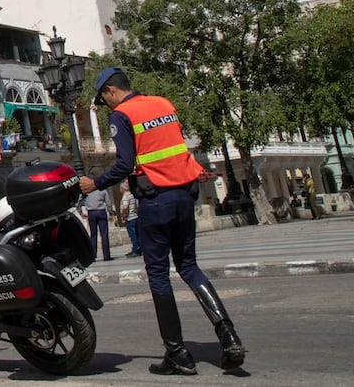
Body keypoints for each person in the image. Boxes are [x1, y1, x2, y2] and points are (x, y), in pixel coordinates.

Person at [80, 67, 245, 375]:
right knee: (189, 266)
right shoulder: (163, 104)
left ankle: (177, 352)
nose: (107, 106)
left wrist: (96, 183)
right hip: (184, 195)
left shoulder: (122, 115)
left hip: (156, 201)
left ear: (110, 91)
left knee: (158, 274)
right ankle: (228, 334)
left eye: (105, 99)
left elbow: (125, 165)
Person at [83, 182, 114, 261]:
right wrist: (111, 212)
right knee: (104, 234)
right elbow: (108, 202)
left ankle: (93, 256)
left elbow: (79, 200)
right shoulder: (102, 189)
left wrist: (80, 211)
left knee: (93, 235)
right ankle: (106, 256)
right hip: (101, 211)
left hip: (91, 212)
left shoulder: (87, 190)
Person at [120, 188, 142, 257]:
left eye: (120, 189)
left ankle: (136, 250)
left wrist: (123, 216)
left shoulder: (125, 196)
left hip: (129, 218)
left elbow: (125, 207)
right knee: (137, 234)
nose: (120, 190)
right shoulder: (132, 195)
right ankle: (140, 249)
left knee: (133, 235)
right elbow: (136, 205)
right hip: (135, 216)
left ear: (122, 189)